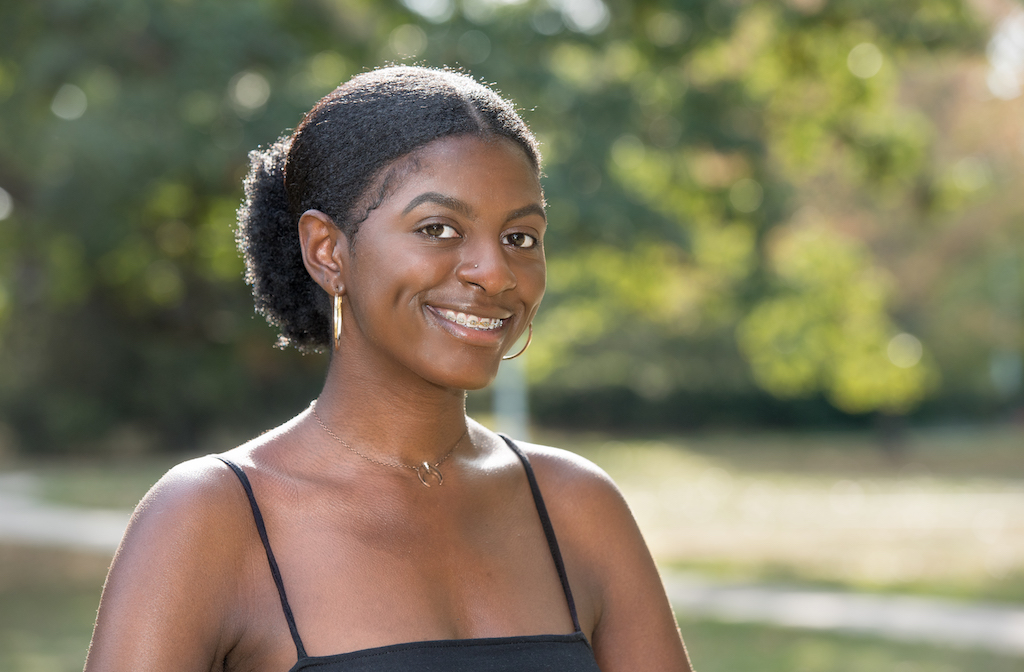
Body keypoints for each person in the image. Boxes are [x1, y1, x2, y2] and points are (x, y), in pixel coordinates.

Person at [84, 66, 692, 672]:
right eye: (438, 229)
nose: (496, 272)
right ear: (327, 251)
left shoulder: (577, 507)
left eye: (521, 237)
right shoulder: (209, 520)